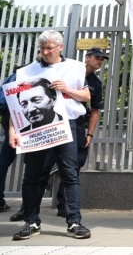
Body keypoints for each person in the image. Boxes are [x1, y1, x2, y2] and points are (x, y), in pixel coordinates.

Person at [8, 30, 92, 240]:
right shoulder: (27, 71)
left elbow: (86, 96)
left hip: (67, 125)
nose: (45, 52)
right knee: (32, 175)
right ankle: (31, 221)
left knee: (69, 173)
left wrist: (67, 89)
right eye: (42, 48)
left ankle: (74, 221)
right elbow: (16, 105)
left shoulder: (74, 67)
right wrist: (12, 130)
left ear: (60, 47)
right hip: (34, 130)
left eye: (49, 48)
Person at [39, 47, 109, 219]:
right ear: (87, 57)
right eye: (97, 57)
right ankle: (29, 207)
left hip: (76, 126)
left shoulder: (95, 83)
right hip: (53, 123)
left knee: (72, 167)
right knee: (42, 165)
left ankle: (64, 206)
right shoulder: (68, 71)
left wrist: (90, 134)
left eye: (102, 59)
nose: (100, 61)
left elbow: (95, 110)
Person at [0, 72, 19, 214]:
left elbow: (2, 101)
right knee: (35, 165)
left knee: (3, 161)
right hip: (20, 124)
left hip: (12, 123)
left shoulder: (15, 75)